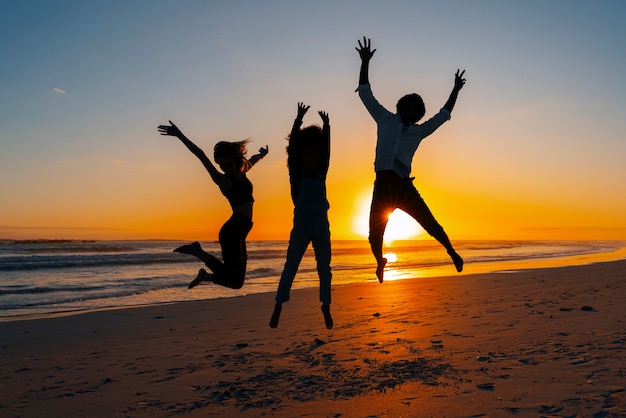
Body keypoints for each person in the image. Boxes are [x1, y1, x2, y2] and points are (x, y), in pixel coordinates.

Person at [355, 36, 466, 283]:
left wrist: (455, 90)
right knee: (374, 234)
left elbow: (443, 115)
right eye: (409, 107)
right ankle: (379, 261)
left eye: (416, 111)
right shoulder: (385, 119)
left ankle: (452, 252)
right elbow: (365, 93)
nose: (412, 113)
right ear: (401, 106)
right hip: (382, 187)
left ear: (418, 115)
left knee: (430, 223)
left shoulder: (419, 131)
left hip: (404, 187)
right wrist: (365, 62)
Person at [157, 120, 268, 290]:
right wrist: (179, 134)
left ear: (237, 160)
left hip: (241, 231)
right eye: (222, 166)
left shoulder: (243, 170)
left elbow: (253, 160)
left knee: (236, 282)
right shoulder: (223, 181)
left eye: (228, 164)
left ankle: (203, 268)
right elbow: (200, 154)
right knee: (234, 280)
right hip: (232, 231)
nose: (226, 169)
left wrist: (262, 154)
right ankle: (198, 253)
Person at [269, 102, 333, 329]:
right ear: (301, 158)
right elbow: (295, 147)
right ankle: (279, 304)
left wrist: (327, 127)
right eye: (309, 157)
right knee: (291, 264)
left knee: (324, 267)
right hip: (302, 225)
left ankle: (326, 305)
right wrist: (298, 120)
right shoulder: (296, 175)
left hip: (321, 225)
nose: (313, 160)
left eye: (316, 157)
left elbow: (326, 151)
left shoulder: (321, 172)